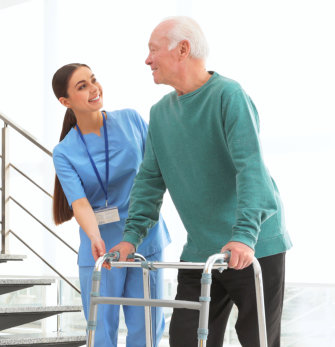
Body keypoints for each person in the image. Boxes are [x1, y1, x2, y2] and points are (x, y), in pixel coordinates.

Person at [110, 16, 292, 347]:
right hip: (201, 251)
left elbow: (250, 168)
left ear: (182, 49)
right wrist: (131, 237)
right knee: (186, 339)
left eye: (153, 50)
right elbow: (150, 180)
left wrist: (244, 237)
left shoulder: (228, 95)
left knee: (258, 340)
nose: (147, 59)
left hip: (252, 247)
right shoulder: (160, 113)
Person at [51, 63, 170, 347]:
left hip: (146, 241)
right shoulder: (65, 151)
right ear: (65, 102)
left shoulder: (131, 120)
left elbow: (159, 169)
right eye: (82, 86)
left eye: (93, 80)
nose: (94, 89)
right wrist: (94, 236)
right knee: (101, 334)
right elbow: (80, 204)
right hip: (100, 251)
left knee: (147, 331)